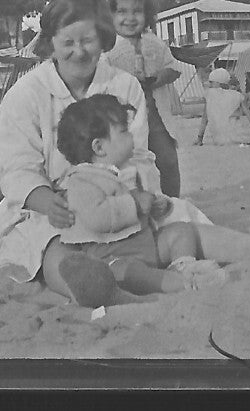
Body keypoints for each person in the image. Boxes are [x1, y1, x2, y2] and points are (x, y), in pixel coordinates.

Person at [0, 0, 250, 308]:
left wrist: (138, 197)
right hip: (52, 206)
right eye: (67, 43)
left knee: (181, 223)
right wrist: (48, 202)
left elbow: (139, 154)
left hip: (124, 196)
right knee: (53, 249)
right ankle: (101, 290)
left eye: (88, 40)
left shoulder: (122, 85)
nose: (79, 51)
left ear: (103, 40)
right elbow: (15, 169)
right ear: (49, 45)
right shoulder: (26, 93)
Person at [53, 94, 227, 295]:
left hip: (145, 245)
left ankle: (184, 265)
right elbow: (97, 217)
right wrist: (134, 204)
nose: (131, 137)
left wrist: (156, 205)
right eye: (124, 132)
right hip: (112, 254)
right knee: (129, 273)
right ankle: (184, 284)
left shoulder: (123, 171)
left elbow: (142, 201)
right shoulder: (81, 180)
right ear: (99, 147)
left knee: (181, 231)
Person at [105, 0, 183, 197]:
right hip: (124, 117)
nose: (130, 18)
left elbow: (173, 68)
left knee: (167, 160)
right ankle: (134, 205)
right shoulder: (108, 48)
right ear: (110, 16)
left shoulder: (155, 42)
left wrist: (159, 77)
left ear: (147, 15)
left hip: (155, 114)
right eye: (122, 11)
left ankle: (172, 202)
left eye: (137, 11)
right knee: (128, 165)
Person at [196, 68, 250, 145]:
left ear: (217, 83)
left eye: (211, 82)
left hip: (218, 139)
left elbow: (204, 119)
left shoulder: (209, 94)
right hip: (234, 134)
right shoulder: (237, 96)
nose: (210, 84)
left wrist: (199, 139)